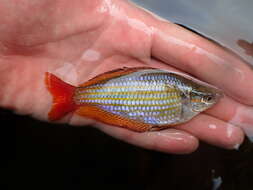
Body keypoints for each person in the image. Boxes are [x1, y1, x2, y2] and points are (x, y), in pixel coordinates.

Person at [0, 0, 252, 154]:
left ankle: (73, 97)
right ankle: (72, 96)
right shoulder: (183, 98)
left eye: (208, 98)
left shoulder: (184, 98)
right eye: (206, 98)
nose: (211, 100)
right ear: (191, 97)